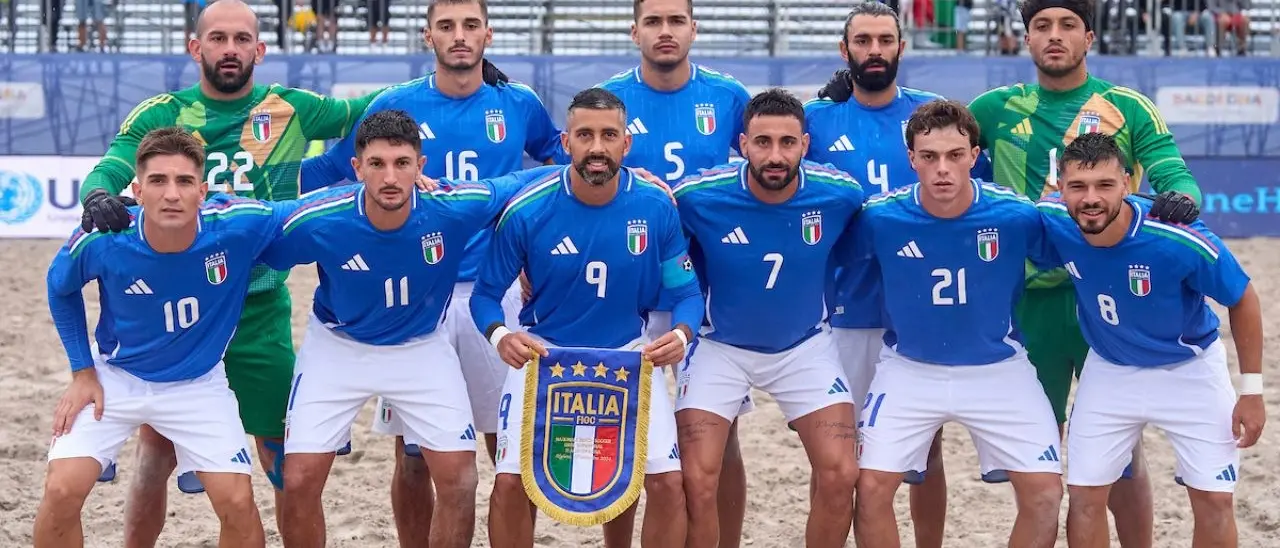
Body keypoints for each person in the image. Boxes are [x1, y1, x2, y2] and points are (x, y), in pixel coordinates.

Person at [821, 0, 1203, 544]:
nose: (1054, 36)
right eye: (1042, 26)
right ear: (1024, 38)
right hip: (1020, 303)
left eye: (1067, 25)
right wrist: (838, 98)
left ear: (1089, 36)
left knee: (1120, 455)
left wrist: (1180, 200)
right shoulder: (995, 107)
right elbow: (935, 132)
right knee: (1038, 472)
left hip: (1098, 296)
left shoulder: (1127, 107)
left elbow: (1173, 172)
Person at [73, 0, 384, 541]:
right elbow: (115, 162)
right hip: (176, 311)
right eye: (217, 38)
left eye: (242, 39)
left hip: (258, 307)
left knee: (280, 451)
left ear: (260, 50)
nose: (230, 49)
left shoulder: (290, 107)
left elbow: (367, 111)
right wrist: (98, 192)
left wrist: (440, 79)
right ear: (196, 48)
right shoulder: (162, 113)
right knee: (156, 451)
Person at [299, 1, 558, 542]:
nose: (459, 37)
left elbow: (561, 164)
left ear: (488, 33)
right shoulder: (394, 105)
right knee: (414, 451)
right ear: (427, 36)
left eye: (469, 26)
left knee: (506, 448)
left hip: (495, 291)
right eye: (446, 26)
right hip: (417, 298)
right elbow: (329, 173)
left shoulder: (519, 103)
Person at [264, 110, 546, 548]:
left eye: (402, 163)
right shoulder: (323, 216)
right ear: (356, 168)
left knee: (459, 479)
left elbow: (519, 183)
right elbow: (251, 223)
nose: (390, 176)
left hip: (420, 347)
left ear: (421, 166)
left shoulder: (449, 208)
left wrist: (594, 166)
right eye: (377, 164)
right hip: (338, 346)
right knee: (298, 480)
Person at [34, 127, 300, 548]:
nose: (171, 194)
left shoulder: (237, 225)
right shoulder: (106, 238)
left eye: (184, 181)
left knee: (237, 502)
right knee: (61, 490)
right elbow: (58, 286)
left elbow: (315, 216)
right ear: (138, 191)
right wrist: (82, 371)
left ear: (203, 190)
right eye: (158, 181)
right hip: (116, 378)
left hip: (199, 385)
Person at [471, 87, 700, 548]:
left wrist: (681, 332)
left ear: (626, 144)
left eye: (609, 135)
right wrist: (500, 337)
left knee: (667, 484)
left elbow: (688, 292)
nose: (597, 146)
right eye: (586, 135)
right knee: (511, 483)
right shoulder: (527, 210)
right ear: (566, 142)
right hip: (544, 358)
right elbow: (485, 297)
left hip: (629, 359)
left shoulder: (656, 207)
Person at [806, 7, 995, 544]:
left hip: (919, 305)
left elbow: (972, 193)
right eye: (862, 40)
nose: (874, 49)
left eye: (885, 39)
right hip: (843, 307)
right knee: (838, 455)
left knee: (925, 450)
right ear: (845, 51)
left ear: (901, 47)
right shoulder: (817, 119)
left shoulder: (932, 117)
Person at [1035, 133, 1266, 547]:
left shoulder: (1176, 236)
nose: (1091, 198)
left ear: (1127, 183)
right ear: (1060, 187)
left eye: (1105, 185)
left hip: (1189, 369)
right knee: (1085, 497)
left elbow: (1243, 297)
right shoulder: (1050, 219)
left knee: (1215, 499)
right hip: (1110, 369)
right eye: (1078, 186)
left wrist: (1252, 390)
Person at [851, 100, 1063, 548]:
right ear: (911, 159)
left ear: (974, 155)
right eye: (929, 157)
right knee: (870, 491)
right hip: (909, 369)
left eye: (954, 155)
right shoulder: (879, 217)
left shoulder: (1016, 215)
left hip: (998, 368)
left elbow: (1080, 247)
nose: (942, 169)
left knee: (1046, 493)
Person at [672, 88, 863, 548]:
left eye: (786, 142)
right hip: (720, 348)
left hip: (804, 347)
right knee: (696, 479)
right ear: (742, 144)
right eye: (762, 142)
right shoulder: (698, 197)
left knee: (841, 473)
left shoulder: (842, 195)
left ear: (804, 144)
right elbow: (651, 227)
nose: (775, 155)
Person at [594, 0, 753, 541]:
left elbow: (774, 166)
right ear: (634, 29)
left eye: (676, 21)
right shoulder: (611, 100)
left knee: (716, 434)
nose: (666, 32)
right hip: (626, 290)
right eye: (654, 21)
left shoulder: (729, 98)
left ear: (694, 28)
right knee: (624, 428)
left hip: (705, 290)